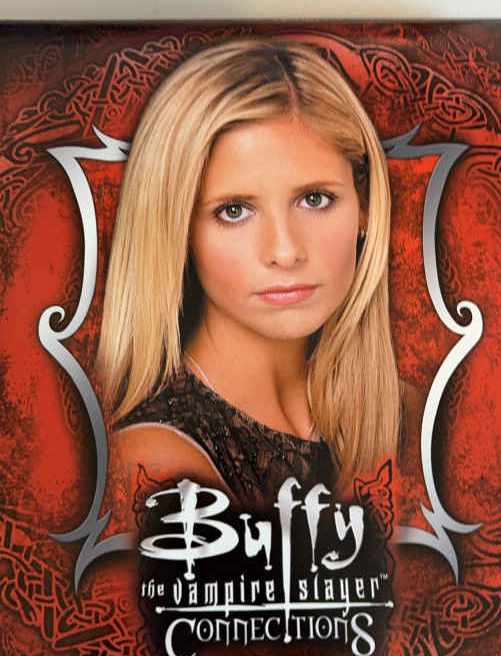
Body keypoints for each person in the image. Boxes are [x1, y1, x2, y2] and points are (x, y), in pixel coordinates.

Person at [97, 38, 402, 509]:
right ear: (176, 231)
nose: (285, 251)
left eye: (315, 199)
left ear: (364, 206)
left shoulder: (407, 415)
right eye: (235, 211)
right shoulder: (155, 462)